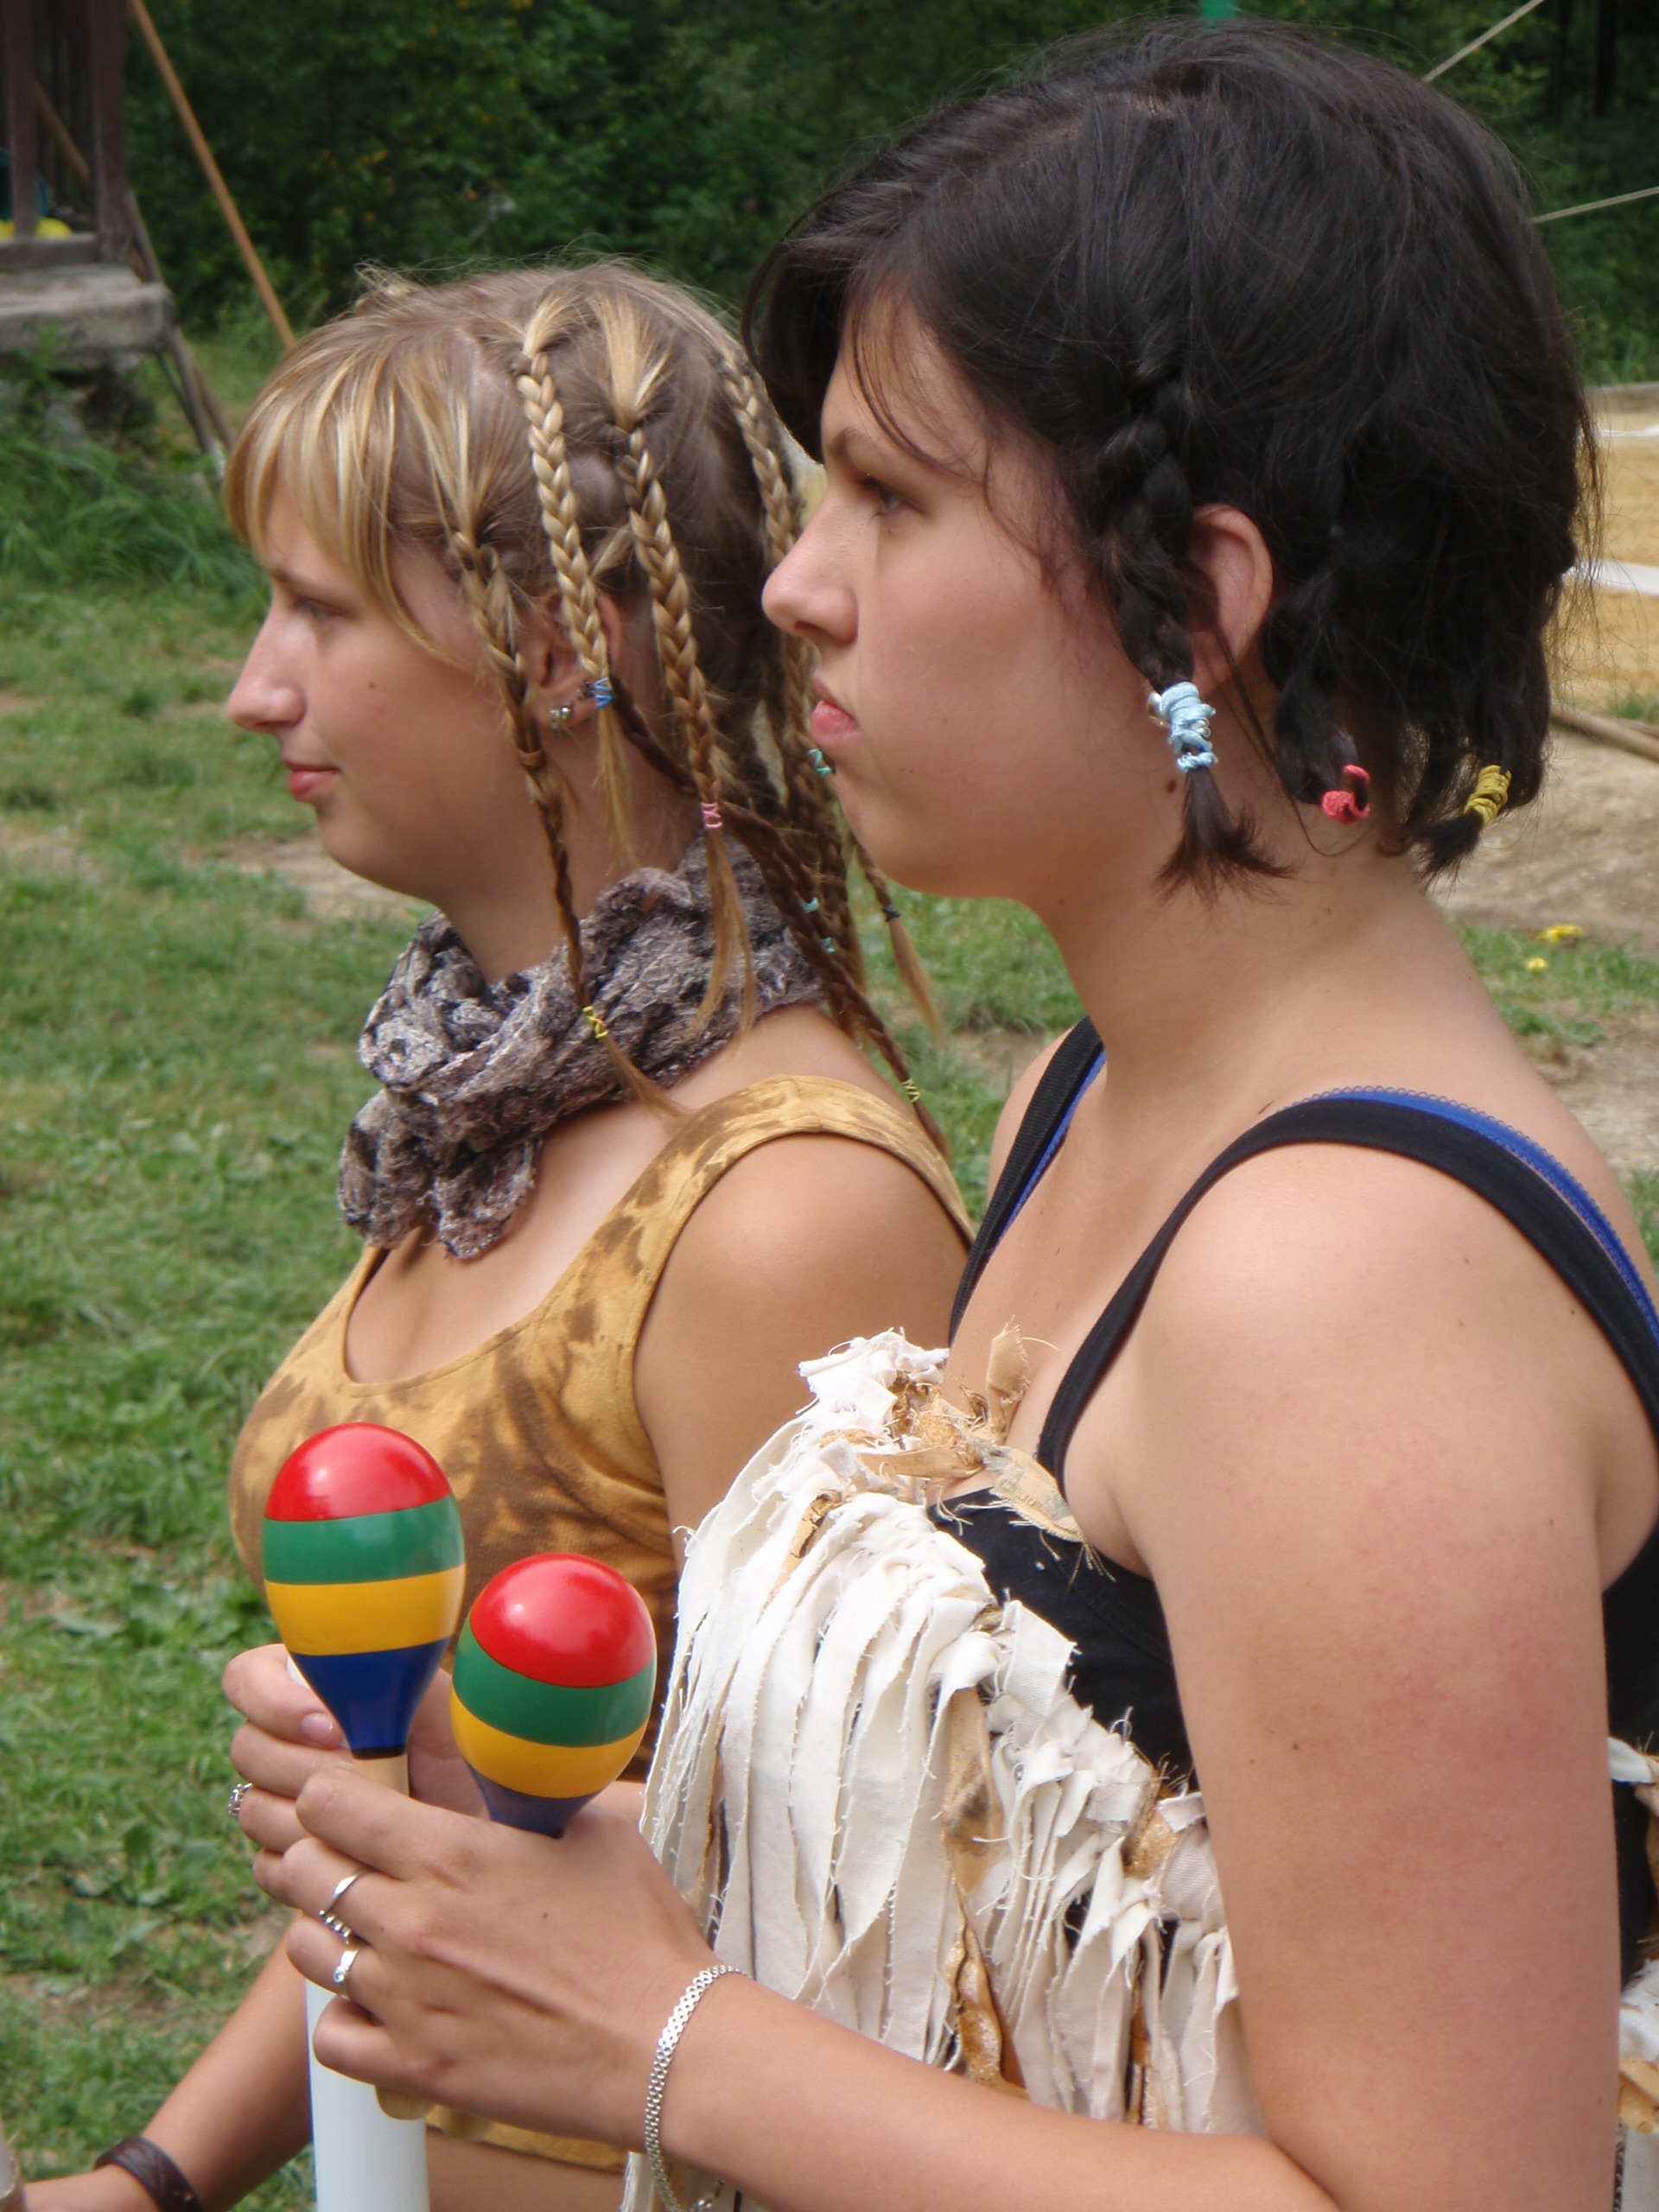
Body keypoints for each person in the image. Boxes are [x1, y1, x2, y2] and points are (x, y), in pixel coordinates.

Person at [238, 24, 1659, 2212]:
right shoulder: (1089, 1100)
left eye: (890, 501)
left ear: (1198, 607)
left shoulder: (1345, 1287)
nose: (795, 584)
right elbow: (1025, 1902)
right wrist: (513, 1835)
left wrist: (665, 2044)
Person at [34, 265, 969, 2212]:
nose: (254, 689)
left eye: (319, 612)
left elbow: (878, 1943)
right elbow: (411, 1854)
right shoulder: (486, 1107)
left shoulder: (783, 1212)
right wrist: (151, 2181)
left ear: (549, 644)